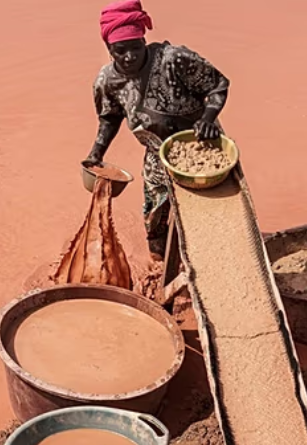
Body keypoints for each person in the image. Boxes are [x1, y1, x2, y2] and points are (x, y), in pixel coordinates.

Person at [85, 0, 230, 260]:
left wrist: (208, 118)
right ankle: (159, 263)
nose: (129, 56)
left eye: (135, 47)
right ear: (108, 48)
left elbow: (218, 85)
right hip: (157, 153)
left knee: (215, 211)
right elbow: (109, 118)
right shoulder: (107, 81)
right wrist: (96, 153)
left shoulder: (173, 59)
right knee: (155, 216)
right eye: (120, 50)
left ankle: (214, 256)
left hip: (202, 147)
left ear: (144, 40)